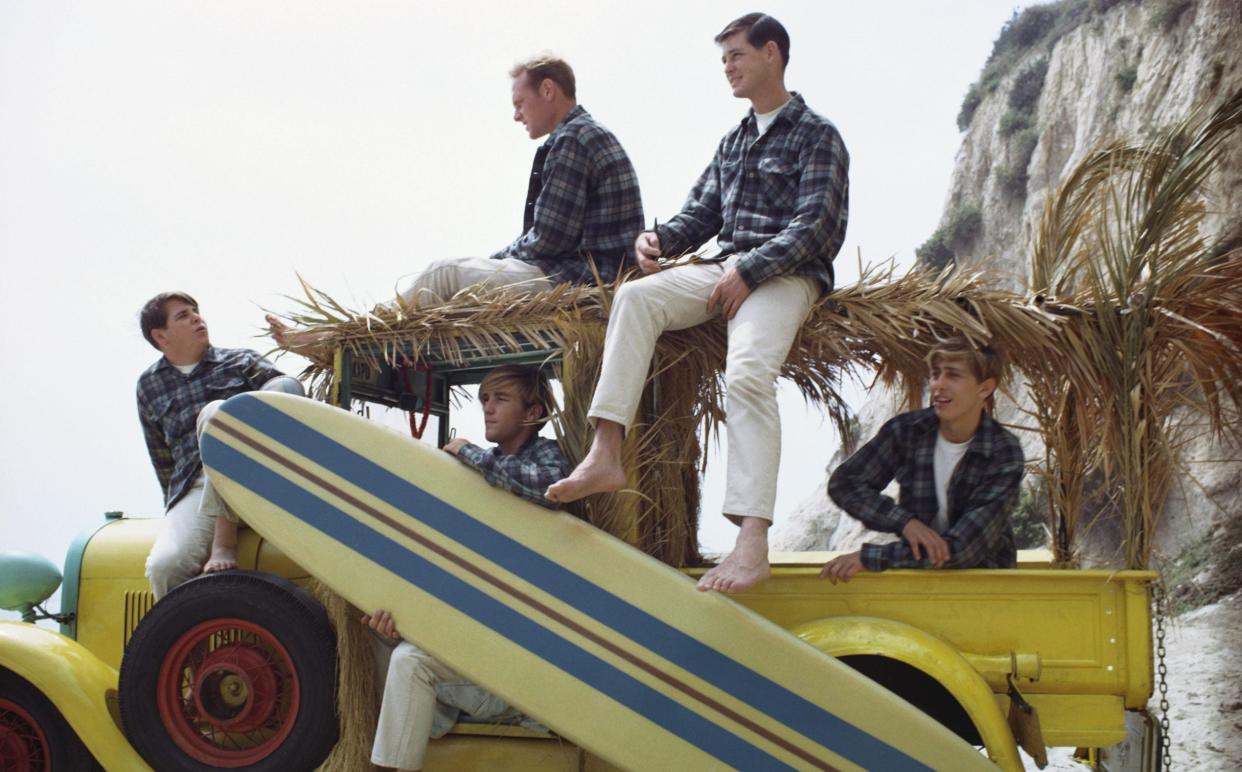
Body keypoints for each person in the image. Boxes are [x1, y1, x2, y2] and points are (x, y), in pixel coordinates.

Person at [546, 13, 850, 595]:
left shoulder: (818, 134)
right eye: (723, 60)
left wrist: (751, 270)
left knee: (748, 373)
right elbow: (701, 214)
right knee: (635, 299)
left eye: (736, 55)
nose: (728, 68)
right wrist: (657, 238)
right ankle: (606, 451)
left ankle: (751, 539)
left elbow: (817, 227)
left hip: (786, 274)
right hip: (724, 268)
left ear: (771, 53)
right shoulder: (734, 141)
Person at [267, 55, 644, 354]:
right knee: (458, 274)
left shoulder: (574, 139)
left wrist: (495, 260)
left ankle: (346, 339)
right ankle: (351, 335)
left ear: (548, 91)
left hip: (579, 280)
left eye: (519, 103)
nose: (516, 115)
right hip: (586, 274)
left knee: (445, 273)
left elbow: (548, 239)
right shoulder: (583, 134)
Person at [365, 365, 567, 771]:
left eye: (501, 399)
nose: (488, 409)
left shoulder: (544, 455)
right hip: (471, 640)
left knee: (411, 661)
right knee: (378, 635)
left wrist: (469, 453)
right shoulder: (477, 469)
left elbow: (550, 487)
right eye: (484, 400)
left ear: (532, 412)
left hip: (518, 660)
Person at [819, 337, 1025, 584]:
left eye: (953, 375)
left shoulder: (1003, 451)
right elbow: (845, 483)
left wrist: (873, 557)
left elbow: (962, 550)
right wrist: (904, 522)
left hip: (983, 588)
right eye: (936, 374)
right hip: (918, 579)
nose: (939, 385)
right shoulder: (907, 431)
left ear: (985, 388)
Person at [137, 292, 285, 599]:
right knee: (164, 566)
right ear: (160, 335)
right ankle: (184, 645)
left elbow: (286, 397)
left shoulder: (242, 361)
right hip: (196, 489)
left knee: (217, 413)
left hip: (253, 479)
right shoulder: (148, 385)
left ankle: (224, 543)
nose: (196, 318)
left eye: (195, 311)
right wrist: (176, 513)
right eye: (183, 315)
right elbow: (162, 460)